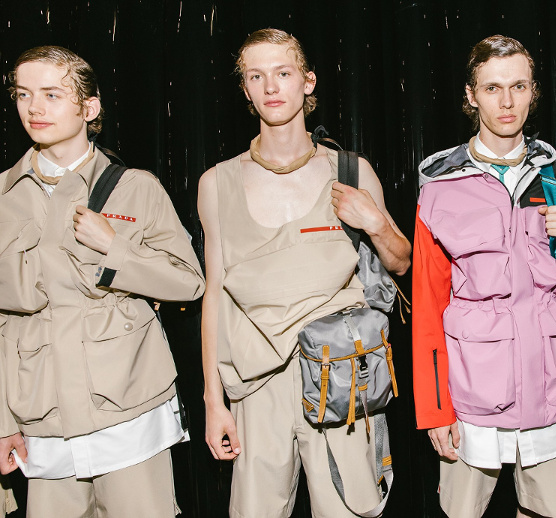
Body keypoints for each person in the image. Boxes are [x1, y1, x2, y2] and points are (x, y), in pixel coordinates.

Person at [197, 28, 411, 517]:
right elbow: (214, 295)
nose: (271, 87)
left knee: (350, 510)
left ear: (307, 82)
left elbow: (402, 262)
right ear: (246, 89)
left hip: (340, 372)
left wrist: (375, 222)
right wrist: (213, 401)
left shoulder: (351, 171)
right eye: (257, 76)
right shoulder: (217, 182)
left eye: (283, 73)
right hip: (256, 382)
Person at [0, 46, 205, 517]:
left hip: (128, 412)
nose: (34, 108)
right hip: (43, 420)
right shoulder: (4, 197)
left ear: (89, 108)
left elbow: (188, 282)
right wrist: (2, 420)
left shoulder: (136, 187)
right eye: (23, 94)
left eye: (52, 94)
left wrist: (116, 247)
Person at [412, 35, 556, 518]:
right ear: (471, 96)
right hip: (473, 397)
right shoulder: (440, 186)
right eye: (492, 88)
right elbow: (428, 304)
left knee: (549, 512)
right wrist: (435, 409)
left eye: (518, 86)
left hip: (551, 391)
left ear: (534, 92)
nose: (507, 101)